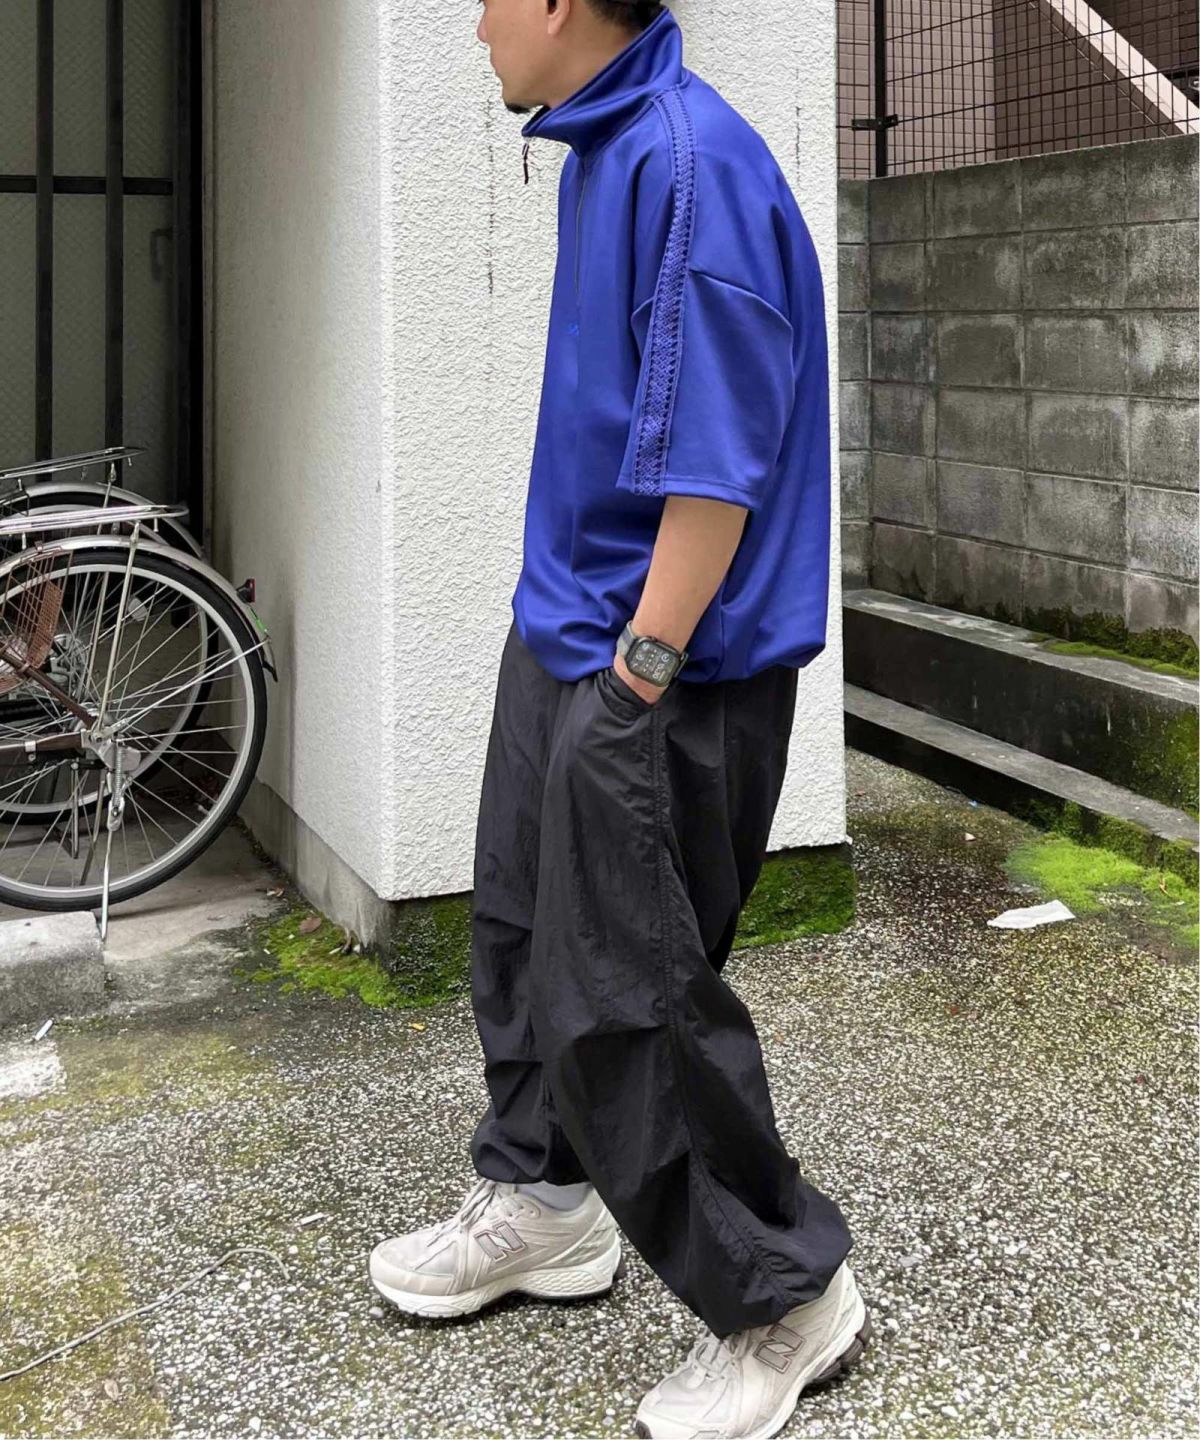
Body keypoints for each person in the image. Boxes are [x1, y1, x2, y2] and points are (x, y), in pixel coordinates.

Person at [369, 3, 871, 1435]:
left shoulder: (688, 164)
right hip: (574, 637)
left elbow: (717, 465)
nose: (474, 24)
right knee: (522, 930)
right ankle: (546, 1204)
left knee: (632, 996)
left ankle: (786, 1300)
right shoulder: (609, 149)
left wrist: (636, 676)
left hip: (663, 669)